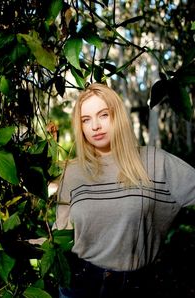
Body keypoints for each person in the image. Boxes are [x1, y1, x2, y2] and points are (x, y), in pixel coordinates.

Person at [53, 82, 195, 298]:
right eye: (86, 120)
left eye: (103, 115)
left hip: (135, 285)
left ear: (117, 116)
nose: (95, 126)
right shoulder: (72, 172)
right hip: (79, 284)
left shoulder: (154, 161)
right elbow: (59, 233)